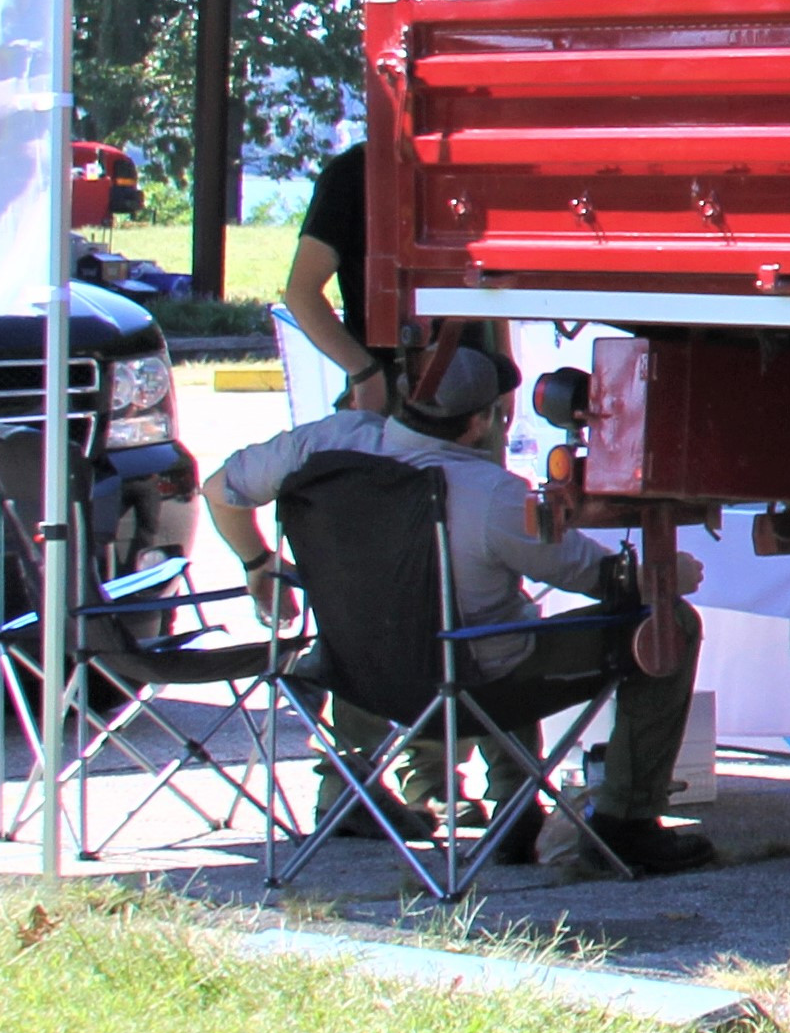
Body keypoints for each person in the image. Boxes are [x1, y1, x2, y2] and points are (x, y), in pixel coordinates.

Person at [201, 343, 713, 876]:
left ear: (403, 397)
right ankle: (624, 821)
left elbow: (219, 489)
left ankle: (489, 803)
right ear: (480, 422)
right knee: (664, 624)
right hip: (465, 687)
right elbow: (604, 581)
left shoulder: (324, 443)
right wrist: (662, 575)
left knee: (475, 627)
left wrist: (259, 561)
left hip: (356, 673)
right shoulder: (491, 495)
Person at [283, 143, 384, 413]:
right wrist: (365, 373)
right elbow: (300, 293)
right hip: (389, 391)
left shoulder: (476, 166)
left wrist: (501, 366)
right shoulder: (351, 173)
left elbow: (490, 283)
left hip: (476, 393)